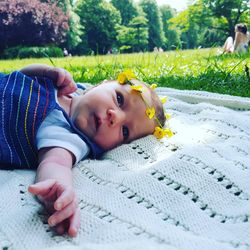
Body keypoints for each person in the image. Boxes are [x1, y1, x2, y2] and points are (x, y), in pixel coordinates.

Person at [0, 64, 170, 237]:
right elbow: (18, 76)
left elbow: (56, 163)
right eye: (119, 100)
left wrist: (59, 190)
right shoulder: (68, 86)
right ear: (99, 85)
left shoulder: (68, 138)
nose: (115, 117)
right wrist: (44, 72)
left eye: (125, 131)